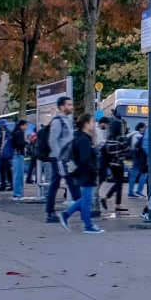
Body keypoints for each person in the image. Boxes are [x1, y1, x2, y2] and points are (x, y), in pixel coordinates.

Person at [58, 113, 104, 234]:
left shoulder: (82, 137)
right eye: (92, 122)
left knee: (85, 199)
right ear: (86, 124)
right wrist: (93, 168)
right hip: (86, 173)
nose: (94, 125)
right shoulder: (83, 139)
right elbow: (85, 159)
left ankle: (66, 215)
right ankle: (87, 225)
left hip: (84, 172)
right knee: (86, 199)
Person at [44, 96, 80, 224]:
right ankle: (81, 208)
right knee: (69, 181)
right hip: (60, 158)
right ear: (62, 107)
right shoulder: (58, 121)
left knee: (60, 183)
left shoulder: (66, 121)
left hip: (63, 158)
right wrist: (60, 158)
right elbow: (53, 140)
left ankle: (50, 212)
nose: (72, 107)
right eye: (69, 105)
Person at [101, 120, 129, 212]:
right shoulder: (120, 138)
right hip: (119, 163)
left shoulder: (109, 138)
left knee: (118, 183)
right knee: (119, 183)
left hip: (111, 164)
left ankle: (109, 199)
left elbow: (106, 150)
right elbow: (127, 150)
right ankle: (116, 203)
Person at [127, 122, 147, 198]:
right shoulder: (139, 136)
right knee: (144, 174)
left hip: (134, 156)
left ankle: (130, 192)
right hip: (140, 158)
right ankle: (139, 191)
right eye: (144, 128)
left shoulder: (131, 134)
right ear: (141, 128)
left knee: (133, 175)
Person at [11, 120, 28, 200]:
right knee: (19, 175)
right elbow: (20, 144)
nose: (26, 127)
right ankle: (18, 194)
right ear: (21, 126)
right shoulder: (20, 133)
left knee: (17, 175)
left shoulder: (15, 133)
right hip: (19, 155)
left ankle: (18, 193)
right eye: (25, 125)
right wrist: (27, 142)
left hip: (15, 155)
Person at [0, 119, 13, 191]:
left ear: (0, 125)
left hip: (4, 154)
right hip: (8, 154)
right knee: (8, 170)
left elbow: (2, 144)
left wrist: (0, 151)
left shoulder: (3, 132)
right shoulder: (9, 132)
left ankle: (3, 185)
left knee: (2, 169)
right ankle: (11, 184)